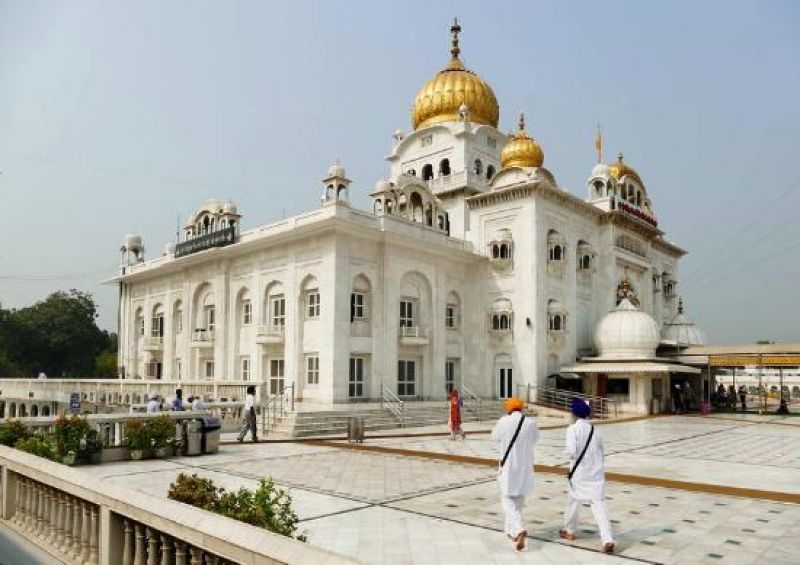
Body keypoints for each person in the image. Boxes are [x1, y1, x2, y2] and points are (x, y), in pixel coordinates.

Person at [560, 398, 615, 554]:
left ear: (574, 413)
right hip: (596, 474)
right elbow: (601, 452)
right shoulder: (595, 431)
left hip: (579, 474)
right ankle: (607, 539)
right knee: (599, 506)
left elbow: (571, 451)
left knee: (573, 502)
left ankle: (570, 531)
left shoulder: (572, 429)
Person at [491, 397, 539, 551]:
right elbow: (535, 439)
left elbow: (495, 438)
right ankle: (511, 532)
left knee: (506, 499)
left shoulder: (504, 421)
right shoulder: (531, 423)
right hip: (525, 467)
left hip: (509, 466)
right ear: (522, 408)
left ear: (509, 409)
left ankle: (518, 529)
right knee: (518, 499)